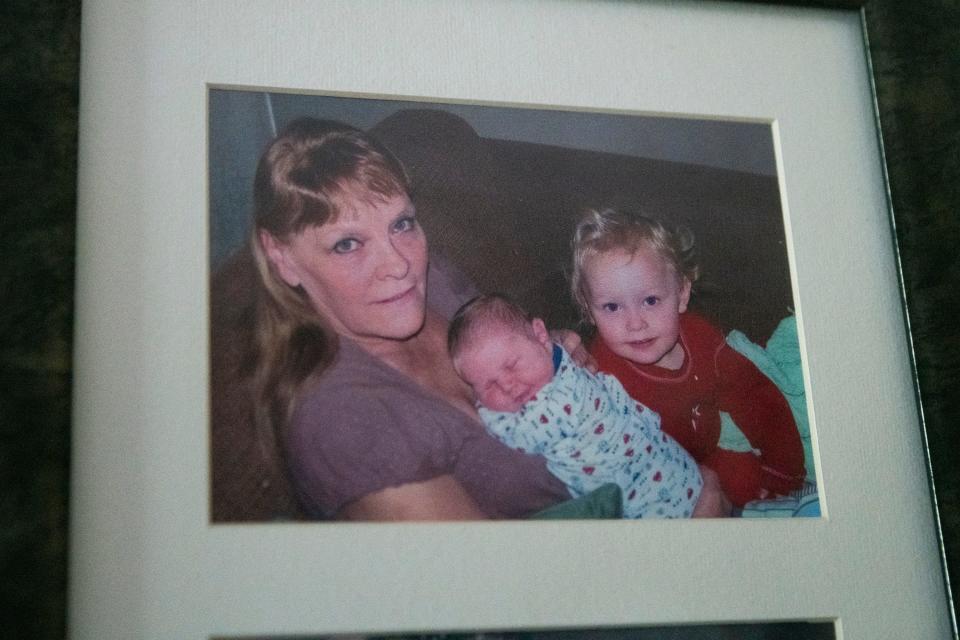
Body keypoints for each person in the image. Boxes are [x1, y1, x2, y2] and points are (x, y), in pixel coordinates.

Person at [249, 117, 729, 520]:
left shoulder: (433, 280)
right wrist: (689, 549)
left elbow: (506, 350)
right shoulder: (345, 425)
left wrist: (551, 353)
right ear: (282, 257)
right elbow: (499, 604)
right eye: (347, 244)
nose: (400, 264)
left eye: (402, 223)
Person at [571, 208, 805, 507]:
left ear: (682, 293)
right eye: (612, 307)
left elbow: (755, 395)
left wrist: (783, 470)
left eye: (650, 300)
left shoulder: (700, 335)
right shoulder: (601, 378)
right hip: (655, 486)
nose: (635, 323)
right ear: (589, 310)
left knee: (746, 477)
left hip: (711, 453)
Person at [448, 294, 706, 518]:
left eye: (512, 365)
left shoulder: (561, 402)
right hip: (675, 470)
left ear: (540, 335)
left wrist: (482, 407)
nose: (508, 386)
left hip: (657, 497)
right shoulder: (557, 361)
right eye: (489, 385)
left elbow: (519, 435)